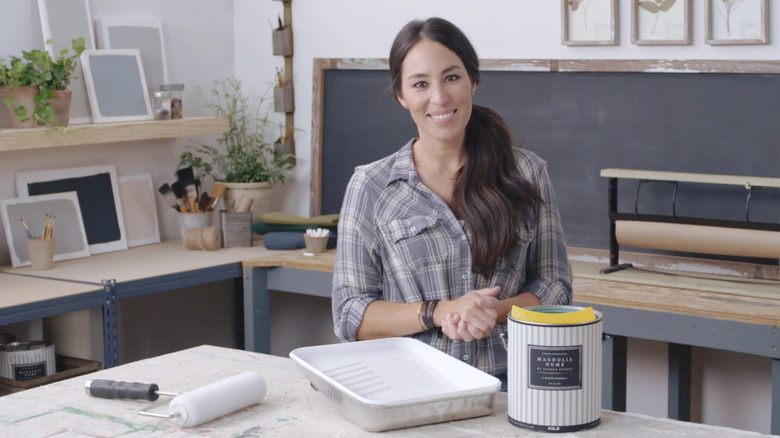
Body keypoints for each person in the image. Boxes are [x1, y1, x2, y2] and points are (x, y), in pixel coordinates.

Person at [331, 17, 572, 381]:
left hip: (510, 385)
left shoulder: (526, 172)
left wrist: (492, 310)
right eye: (420, 84)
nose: (439, 97)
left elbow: (555, 288)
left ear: (473, 82)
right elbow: (350, 314)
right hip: (411, 385)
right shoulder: (371, 185)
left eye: (452, 77)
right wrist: (438, 312)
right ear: (402, 96)